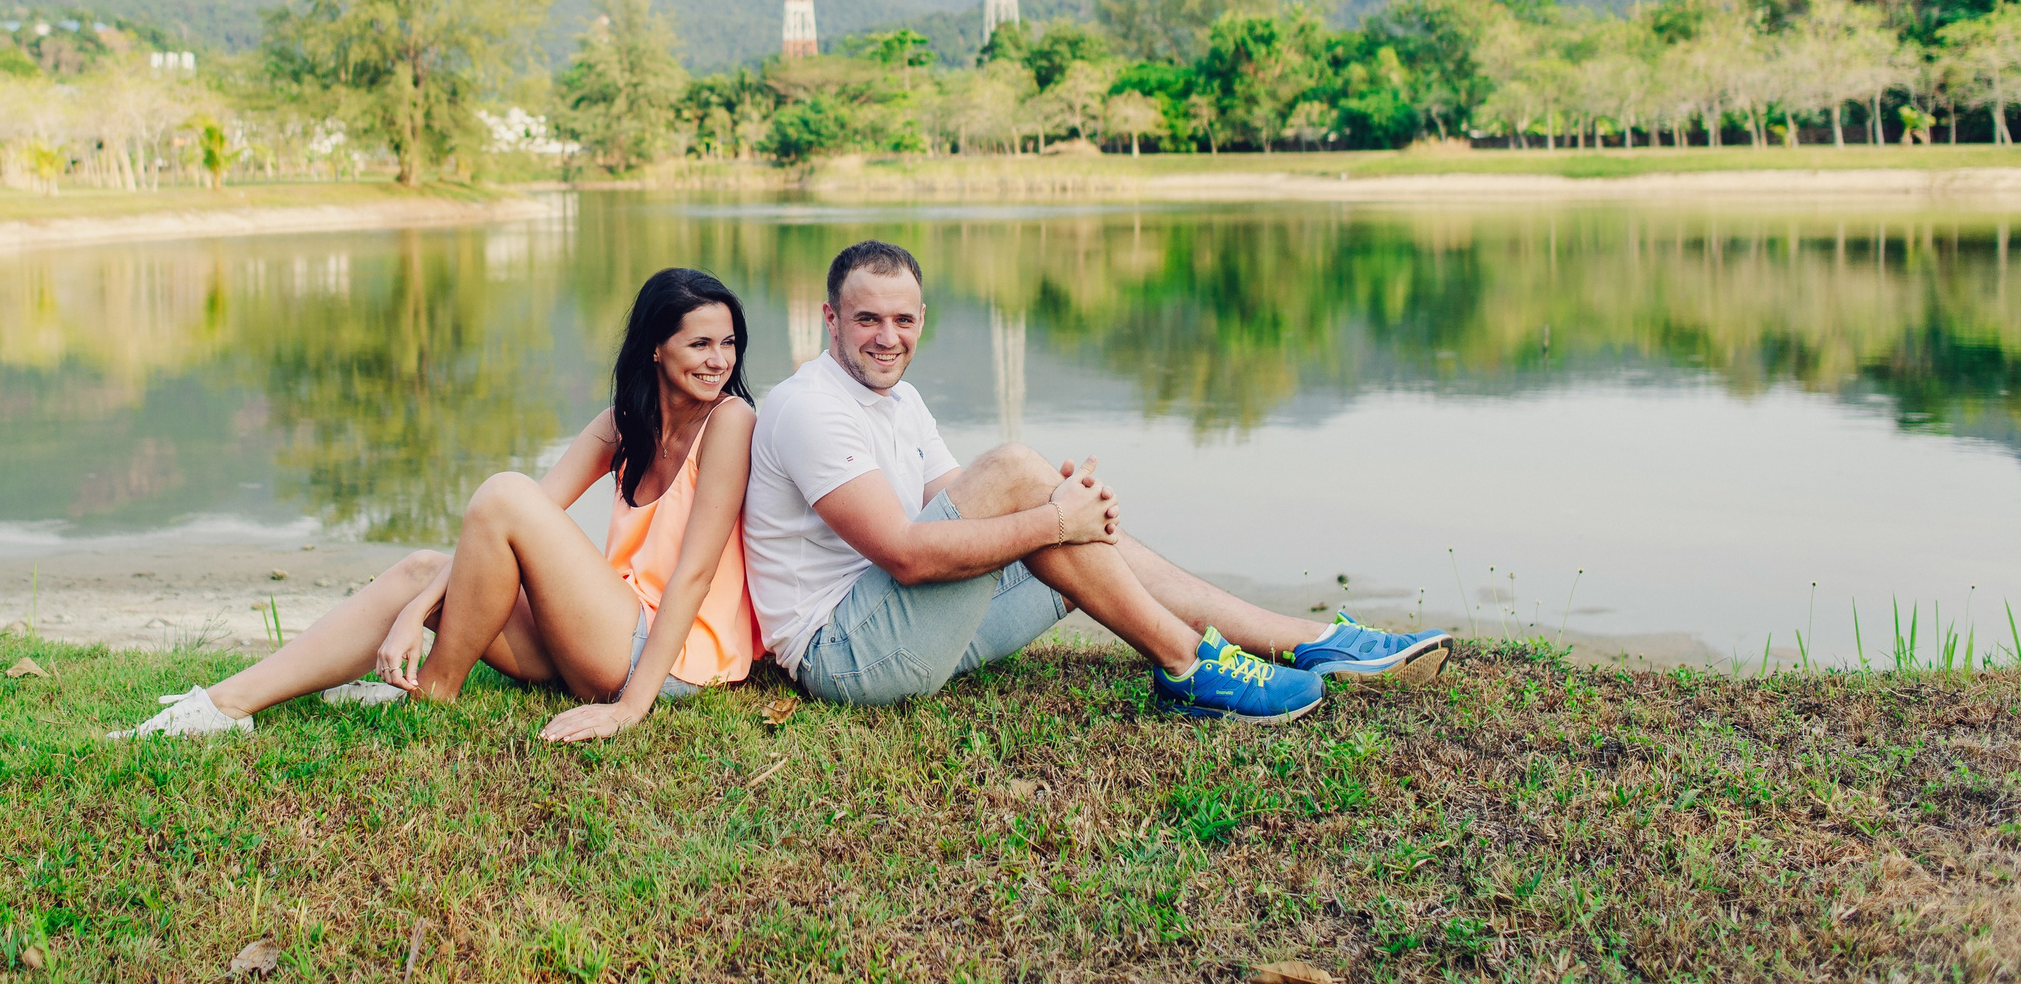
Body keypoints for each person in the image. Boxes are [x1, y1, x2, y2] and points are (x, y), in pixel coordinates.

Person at [742, 240, 1450, 723]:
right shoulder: (809, 406)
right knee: (1025, 475)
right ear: (830, 319)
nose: (886, 336)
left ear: (922, 319)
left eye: (902, 319)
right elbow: (906, 551)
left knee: (1041, 498)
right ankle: (1185, 665)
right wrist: (1053, 517)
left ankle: (1306, 638)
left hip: (912, 626)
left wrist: (1060, 509)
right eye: (866, 318)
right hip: (848, 656)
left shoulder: (902, 400)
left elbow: (960, 508)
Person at [113, 267, 762, 741]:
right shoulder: (626, 419)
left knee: (505, 493)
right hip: (599, 638)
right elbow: (519, 517)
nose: (718, 360)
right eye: (699, 343)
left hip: (670, 660)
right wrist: (417, 606)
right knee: (426, 566)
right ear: (655, 345)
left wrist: (628, 709)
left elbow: (694, 576)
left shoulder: (730, 420)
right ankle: (224, 704)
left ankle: (435, 689)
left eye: (728, 343)